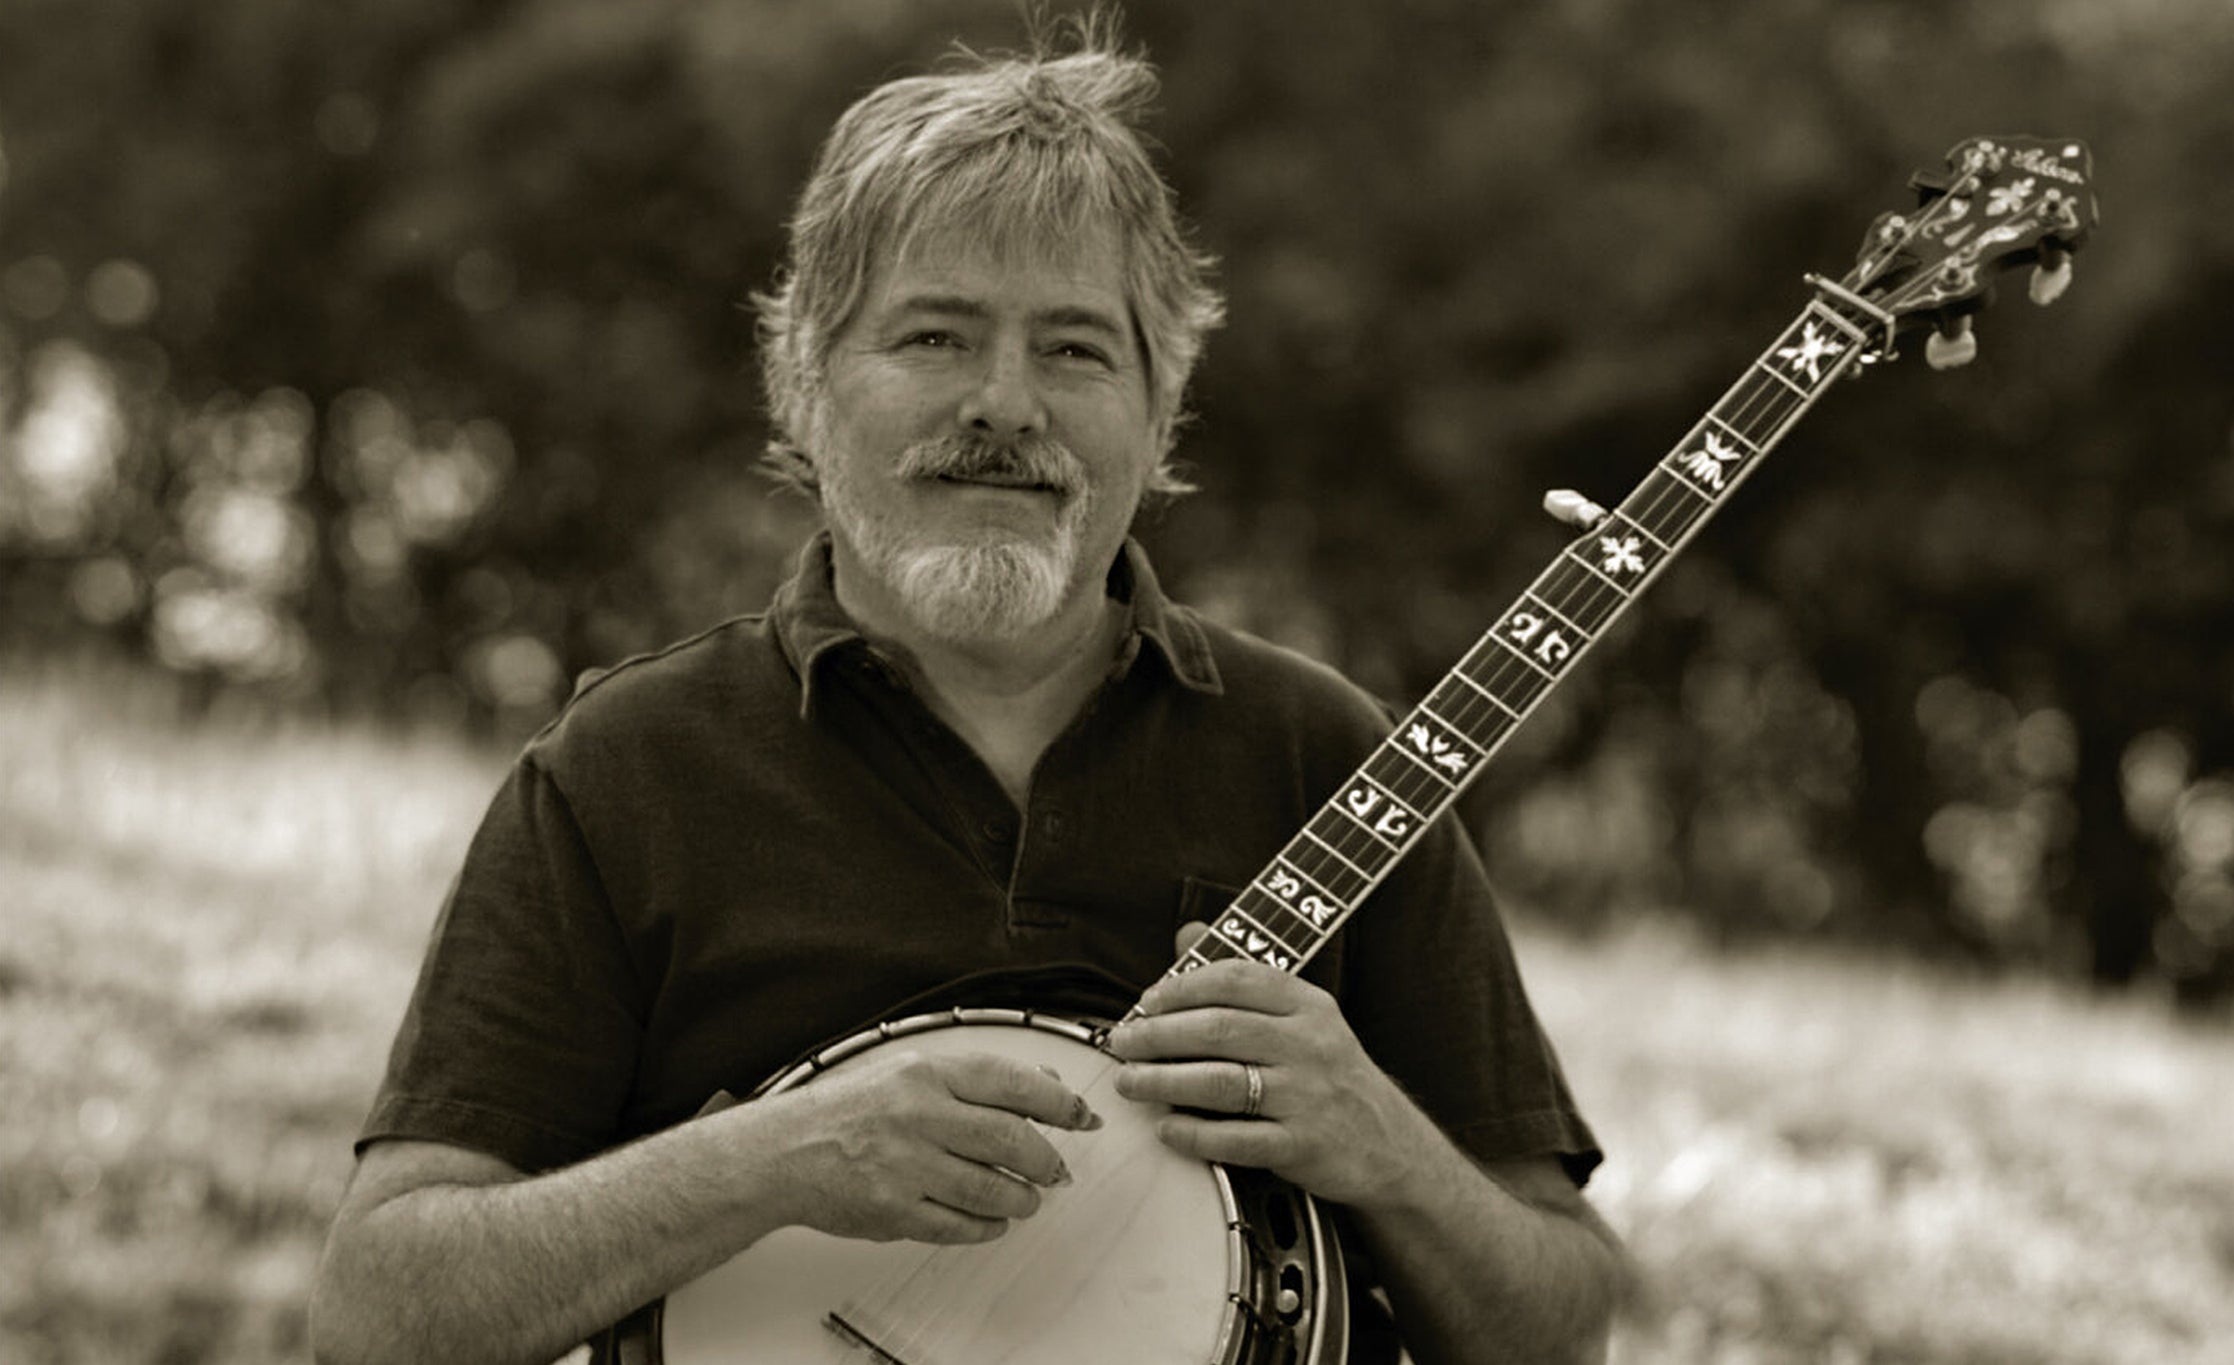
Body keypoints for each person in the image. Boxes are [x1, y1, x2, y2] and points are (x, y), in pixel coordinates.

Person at [311, 27, 1626, 1365]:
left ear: (1159, 410)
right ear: (806, 383)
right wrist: (761, 1161)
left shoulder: (1323, 757)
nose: (1004, 404)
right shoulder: (626, 771)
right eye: (934, 336)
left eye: (1073, 351)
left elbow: (1564, 1321)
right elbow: (375, 1315)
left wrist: (1385, 1145)